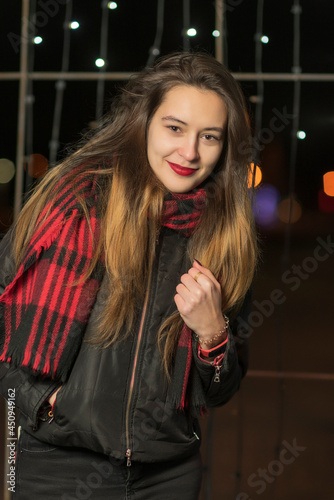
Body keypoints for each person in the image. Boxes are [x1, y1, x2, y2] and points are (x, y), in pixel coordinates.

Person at [0, 52, 257, 499]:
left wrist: (213, 332)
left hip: (170, 475)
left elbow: (220, 392)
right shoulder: (74, 203)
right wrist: (38, 403)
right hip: (58, 466)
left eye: (209, 136)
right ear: (143, 123)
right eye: (174, 128)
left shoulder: (227, 238)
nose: (190, 152)